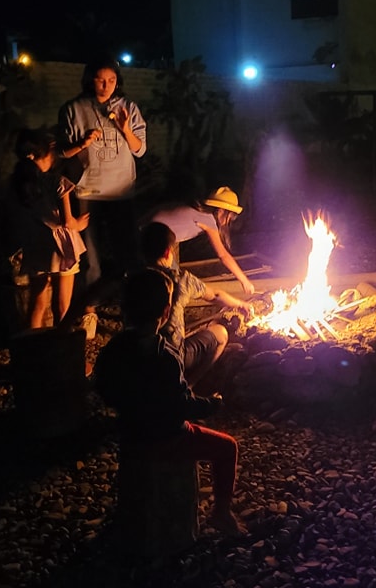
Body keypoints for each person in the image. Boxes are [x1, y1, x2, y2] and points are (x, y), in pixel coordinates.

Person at [93, 268, 247, 535]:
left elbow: (103, 387)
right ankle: (221, 513)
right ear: (166, 312)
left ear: (124, 307)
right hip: (167, 438)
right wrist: (212, 404)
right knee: (227, 447)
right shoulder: (165, 354)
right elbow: (181, 405)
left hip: (130, 433)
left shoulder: (113, 350)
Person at [57, 55, 148, 337]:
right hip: (88, 192)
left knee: (129, 254)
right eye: (100, 79)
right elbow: (62, 152)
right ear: (89, 79)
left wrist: (124, 128)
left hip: (121, 193)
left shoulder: (128, 107)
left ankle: (134, 311)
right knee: (91, 258)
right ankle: (89, 312)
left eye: (111, 80)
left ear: (117, 81)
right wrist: (82, 143)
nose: (105, 85)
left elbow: (140, 149)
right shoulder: (73, 109)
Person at [141, 221, 253, 388]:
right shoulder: (181, 279)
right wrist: (241, 304)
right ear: (167, 252)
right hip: (172, 357)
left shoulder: (133, 277)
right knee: (221, 333)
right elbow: (215, 295)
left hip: (139, 355)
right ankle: (189, 384)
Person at [9, 128, 90, 329]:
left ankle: (33, 347)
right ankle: (60, 349)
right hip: (61, 248)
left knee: (37, 303)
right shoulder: (57, 182)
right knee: (63, 306)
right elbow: (67, 222)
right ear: (44, 155)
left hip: (35, 246)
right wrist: (81, 223)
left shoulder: (17, 184)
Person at [146, 186, 256, 296]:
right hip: (151, 239)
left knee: (175, 276)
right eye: (231, 215)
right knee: (176, 282)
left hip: (150, 235)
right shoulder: (207, 219)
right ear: (221, 211)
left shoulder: (197, 211)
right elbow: (223, 255)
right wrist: (244, 281)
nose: (231, 220)